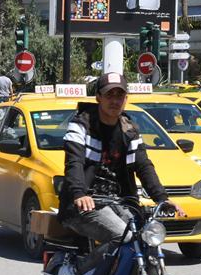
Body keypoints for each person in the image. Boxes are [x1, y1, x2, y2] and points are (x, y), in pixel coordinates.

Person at [58, 72, 182, 247]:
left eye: (120, 96)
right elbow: (74, 162)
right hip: (84, 205)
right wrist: (79, 194)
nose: (115, 101)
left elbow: (143, 166)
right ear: (98, 97)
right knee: (124, 237)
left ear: (126, 99)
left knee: (146, 238)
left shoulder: (129, 129)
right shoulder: (82, 125)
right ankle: (97, 266)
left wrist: (162, 198)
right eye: (109, 95)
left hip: (121, 203)